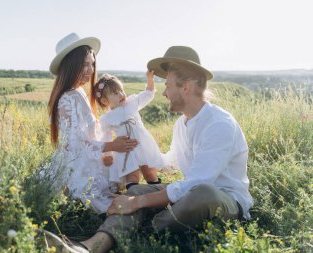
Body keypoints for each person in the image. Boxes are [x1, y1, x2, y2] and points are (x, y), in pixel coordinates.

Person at [50, 45, 254, 253]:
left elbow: (198, 182)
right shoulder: (181, 125)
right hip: (189, 193)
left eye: (168, 85)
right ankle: (91, 246)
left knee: (201, 193)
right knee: (136, 190)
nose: (164, 93)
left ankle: (143, 228)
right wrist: (139, 156)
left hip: (223, 199)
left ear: (186, 87)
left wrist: (139, 203)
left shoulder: (218, 124)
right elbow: (169, 163)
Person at [45, 33, 138, 215]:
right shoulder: (67, 99)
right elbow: (74, 143)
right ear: (71, 65)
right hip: (77, 163)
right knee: (106, 201)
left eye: (92, 63)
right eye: (85, 64)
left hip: (88, 156)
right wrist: (111, 146)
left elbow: (89, 134)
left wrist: (106, 153)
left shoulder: (78, 91)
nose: (91, 69)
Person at [95, 72, 163, 191]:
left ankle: (157, 193)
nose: (121, 94)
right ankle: (134, 195)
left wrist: (150, 79)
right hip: (126, 149)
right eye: (116, 93)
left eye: (121, 90)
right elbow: (106, 137)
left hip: (142, 145)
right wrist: (107, 154)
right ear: (105, 101)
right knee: (132, 176)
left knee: (149, 172)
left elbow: (148, 94)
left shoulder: (132, 102)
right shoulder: (107, 118)